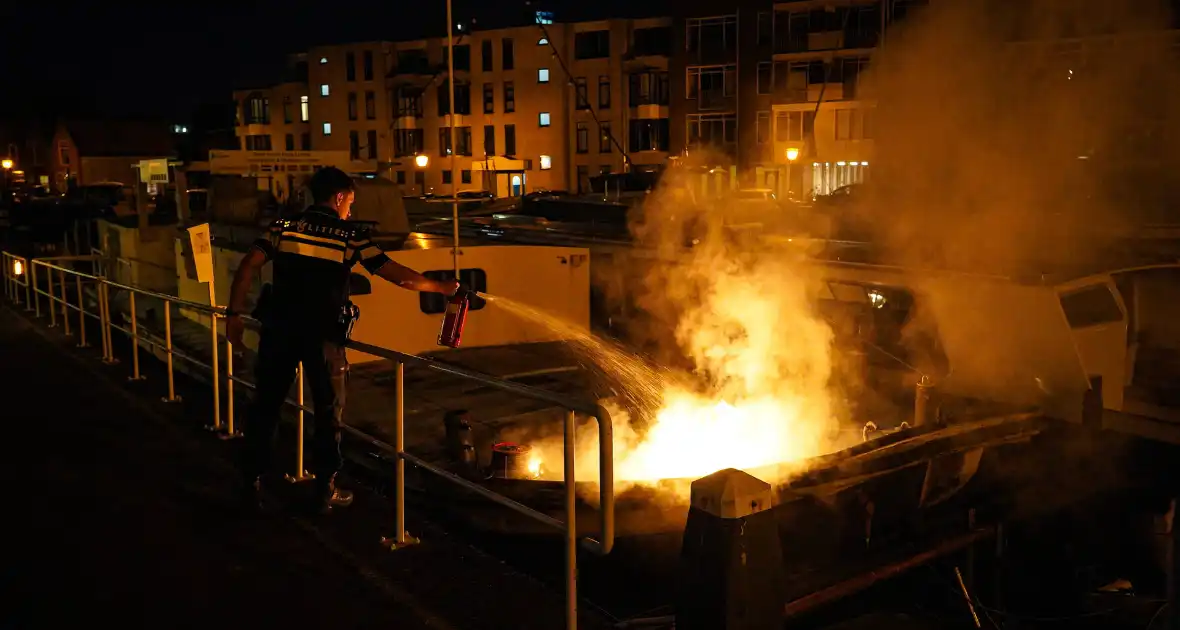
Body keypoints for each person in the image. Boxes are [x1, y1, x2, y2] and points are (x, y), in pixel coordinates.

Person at [226, 167, 459, 514]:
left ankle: (251, 484)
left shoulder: (283, 228)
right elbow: (395, 275)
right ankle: (324, 491)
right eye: (350, 200)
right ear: (338, 198)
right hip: (323, 337)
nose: (351, 208)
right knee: (328, 414)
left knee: (265, 408)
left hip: (278, 332)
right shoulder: (348, 236)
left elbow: (248, 267)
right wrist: (442, 288)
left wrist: (233, 314)